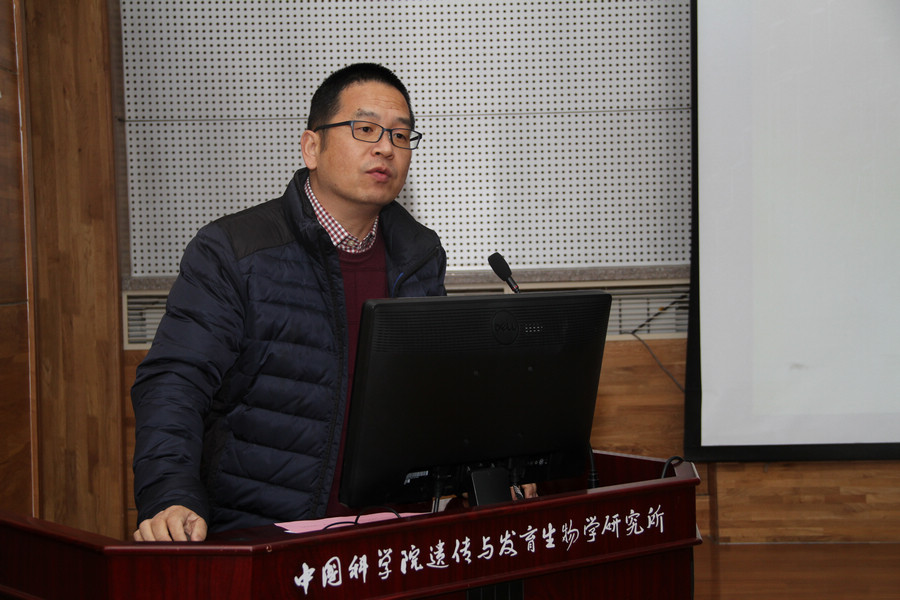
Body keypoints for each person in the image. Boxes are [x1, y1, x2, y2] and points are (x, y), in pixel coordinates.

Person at [131, 63, 447, 542]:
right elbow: (175, 382)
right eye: (365, 129)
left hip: (390, 535)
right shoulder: (234, 250)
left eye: (400, 136)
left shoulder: (419, 255)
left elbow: (436, 396)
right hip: (266, 536)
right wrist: (169, 494)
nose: (386, 147)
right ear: (311, 147)